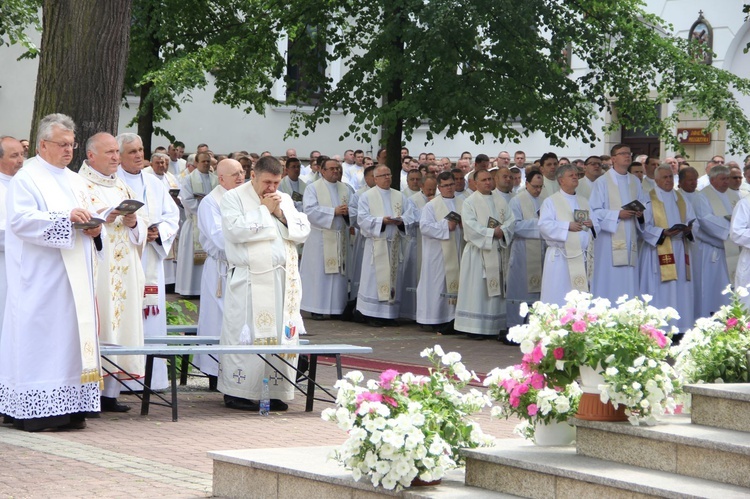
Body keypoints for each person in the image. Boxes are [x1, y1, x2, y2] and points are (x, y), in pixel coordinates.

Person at [0, 113, 103, 431]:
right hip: (41, 280)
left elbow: (92, 214)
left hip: (75, 284)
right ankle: (37, 410)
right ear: (43, 144)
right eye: (62, 144)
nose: (69, 150)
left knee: (70, 341)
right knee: (43, 341)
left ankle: (72, 407)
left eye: (72, 144)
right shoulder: (27, 178)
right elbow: (20, 221)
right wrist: (65, 218)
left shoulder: (76, 180)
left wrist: (96, 229)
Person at [219, 155, 310, 411]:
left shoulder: (285, 199)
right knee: (246, 333)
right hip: (249, 281)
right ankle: (238, 391)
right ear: (253, 176)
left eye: (276, 183)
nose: (271, 189)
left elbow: (303, 230)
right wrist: (263, 211)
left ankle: (275, 390)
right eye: (267, 182)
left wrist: (281, 213)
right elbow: (234, 231)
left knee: (280, 334)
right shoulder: (233, 198)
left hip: (282, 280)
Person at [79, 132, 147, 412]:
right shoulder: (79, 184)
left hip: (125, 269)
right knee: (100, 324)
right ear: (91, 155)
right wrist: (101, 218)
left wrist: (133, 223)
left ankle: (111, 394)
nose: (116, 158)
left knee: (122, 327)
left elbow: (141, 228)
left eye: (117, 152)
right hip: (99, 267)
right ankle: (89, 396)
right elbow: (78, 224)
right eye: (110, 153)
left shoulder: (122, 186)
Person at [118, 133, 180, 392]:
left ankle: (151, 380)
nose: (138, 155)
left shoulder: (154, 183)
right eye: (132, 151)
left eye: (140, 149)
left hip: (150, 258)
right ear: (119, 155)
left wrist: (159, 232)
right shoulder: (113, 182)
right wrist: (140, 231)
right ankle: (120, 382)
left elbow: (172, 215)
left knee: (150, 322)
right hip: (124, 261)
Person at [194, 159, 244, 381]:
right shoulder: (210, 202)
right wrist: (249, 236)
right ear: (221, 178)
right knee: (218, 321)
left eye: (242, 172)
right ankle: (215, 373)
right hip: (220, 271)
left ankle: (238, 372)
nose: (241, 176)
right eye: (235, 174)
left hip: (242, 267)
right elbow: (219, 238)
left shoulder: (246, 198)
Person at [454, 169, 515, 338]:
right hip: (478, 253)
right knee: (477, 290)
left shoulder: (500, 199)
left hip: (497, 250)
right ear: (475, 183)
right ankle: (475, 327)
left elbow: (511, 220)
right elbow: (469, 226)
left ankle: (494, 327)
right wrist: (490, 233)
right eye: (483, 180)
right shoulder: (469, 202)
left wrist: (503, 230)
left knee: (496, 291)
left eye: (489, 179)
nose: (488, 182)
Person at [356, 165, 418, 326]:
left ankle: (390, 314)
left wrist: (401, 220)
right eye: (383, 175)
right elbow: (362, 219)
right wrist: (381, 221)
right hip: (376, 245)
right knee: (373, 279)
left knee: (394, 279)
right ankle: (372, 314)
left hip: (395, 245)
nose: (387, 178)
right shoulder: (367, 196)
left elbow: (411, 216)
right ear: (375, 179)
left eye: (389, 174)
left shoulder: (400, 196)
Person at [639, 164, 697, 334]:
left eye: (671, 177)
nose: (668, 180)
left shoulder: (681, 198)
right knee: (661, 288)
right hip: (658, 250)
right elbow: (643, 227)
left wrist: (688, 229)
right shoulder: (648, 198)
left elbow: (694, 220)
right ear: (656, 180)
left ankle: (681, 327)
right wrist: (662, 232)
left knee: (680, 288)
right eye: (664, 177)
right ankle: (660, 327)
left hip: (680, 248)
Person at [589, 144, 646, 303]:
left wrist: (640, 214)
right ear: (613, 159)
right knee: (609, 278)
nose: (627, 156)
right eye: (623, 153)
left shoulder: (634, 181)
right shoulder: (602, 182)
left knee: (628, 278)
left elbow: (642, 204)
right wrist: (617, 214)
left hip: (631, 238)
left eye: (629, 153)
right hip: (609, 241)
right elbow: (594, 210)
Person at [300, 158, 356, 319]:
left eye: (338, 169)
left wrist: (348, 212)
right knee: (319, 274)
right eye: (331, 169)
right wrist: (334, 211)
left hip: (340, 237)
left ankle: (337, 308)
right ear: (322, 171)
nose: (336, 171)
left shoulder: (346, 189)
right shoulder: (313, 188)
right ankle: (316, 307)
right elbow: (309, 211)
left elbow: (355, 210)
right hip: (320, 238)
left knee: (339, 275)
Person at [539, 165, 598, 306]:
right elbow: (544, 226)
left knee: (578, 297)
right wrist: (567, 227)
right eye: (570, 175)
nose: (575, 177)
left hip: (581, 256)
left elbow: (596, 225)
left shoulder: (583, 201)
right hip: (560, 258)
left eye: (576, 175)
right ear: (561, 180)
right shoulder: (551, 201)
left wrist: (591, 224)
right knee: (558, 295)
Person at [416, 172, 464, 333]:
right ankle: (434, 318)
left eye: (451, 184)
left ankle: (452, 318)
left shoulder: (463, 203)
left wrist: (464, 225)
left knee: (454, 282)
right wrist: (445, 226)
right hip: (437, 253)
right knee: (437, 284)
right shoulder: (431, 205)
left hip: (457, 250)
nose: (449, 188)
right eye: (445, 186)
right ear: (439, 187)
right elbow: (424, 227)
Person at [693, 166, 741, 317]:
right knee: (714, 285)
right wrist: (730, 231)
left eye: (728, 178)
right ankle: (711, 317)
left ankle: (730, 317)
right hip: (713, 249)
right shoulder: (702, 196)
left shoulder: (734, 195)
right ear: (712, 179)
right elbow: (705, 219)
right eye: (723, 179)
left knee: (729, 285)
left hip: (733, 249)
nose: (726, 182)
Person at [506, 171, 545, 330]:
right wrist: (540, 224)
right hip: (522, 252)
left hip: (540, 251)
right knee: (521, 290)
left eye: (540, 187)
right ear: (526, 184)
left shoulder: (544, 201)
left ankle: (535, 325)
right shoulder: (516, 201)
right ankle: (517, 325)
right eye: (535, 186)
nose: (537, 190)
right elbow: (514, 226)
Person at [176, 151, 217, 296]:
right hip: (194, 221)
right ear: (196, 163)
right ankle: (189, 289)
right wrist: (206, 210)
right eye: (203, 161)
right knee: (189, 260)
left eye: (208, 161)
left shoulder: (215, 179)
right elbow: (187, 200)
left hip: (211, 224)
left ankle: (204, 289)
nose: (206, 164)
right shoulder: (188, 180)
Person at [0, 136, 24, 337]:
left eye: (22, 155)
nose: (21, 160)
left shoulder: (26, 184)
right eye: (14, 155)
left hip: (26, 266)